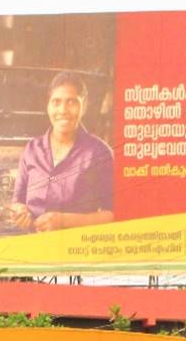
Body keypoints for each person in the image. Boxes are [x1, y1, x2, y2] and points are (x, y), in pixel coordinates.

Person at [9, 72, 114, 234]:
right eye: (56, 102)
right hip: (33, 250)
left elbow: (112, 214)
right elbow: (17, 201)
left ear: (83, 106)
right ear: (48, 106)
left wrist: (64, 221)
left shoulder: (100, 153)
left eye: (71, 102)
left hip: (78, 251)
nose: (62, 110)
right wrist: (20, 212)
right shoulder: (31, 149)